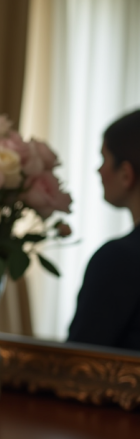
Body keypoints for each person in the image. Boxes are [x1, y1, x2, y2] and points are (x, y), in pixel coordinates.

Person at [68, 109, 140, 349]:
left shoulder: (118, 259)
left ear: (126, 174)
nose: (99, 171)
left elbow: (78, 362)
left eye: (104, 159)